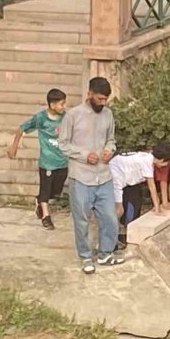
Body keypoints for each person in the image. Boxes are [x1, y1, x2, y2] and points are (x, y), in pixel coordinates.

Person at [58, 77, 124, 274]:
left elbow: (111, 139)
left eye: (105, 100)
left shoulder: (108, 115)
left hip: (103, 176)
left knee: (111, 218)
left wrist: (109, 150)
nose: (103, 103)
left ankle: (105, 254)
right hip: (81, 177)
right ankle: (86, 256)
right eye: (100, 98)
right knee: (82, 220)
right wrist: (85, 155)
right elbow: (63, 144)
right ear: (89, 94)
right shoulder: (73, 115)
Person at [6, 88, 68, 230]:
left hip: (63, 161)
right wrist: (14, 147)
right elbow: (22, 128)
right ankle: (46, 216)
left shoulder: (66, 117)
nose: (63, 107)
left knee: (56, 191)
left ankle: (39, 200)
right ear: (52, 105)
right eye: (61, 104)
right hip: (47, 162)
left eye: (64, 104)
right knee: (46, 190)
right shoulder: (41, 118)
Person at [110, 142, 170, 246]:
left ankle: (119, 235)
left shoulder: (148, 157)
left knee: (132, 206)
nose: (166, 166)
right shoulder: (147, 162)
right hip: (116, 179)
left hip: (127, 182)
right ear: (162, 160)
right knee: (119, 210)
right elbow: (151, 186)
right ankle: (110, 239)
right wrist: (157, 208)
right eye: (166, 163)